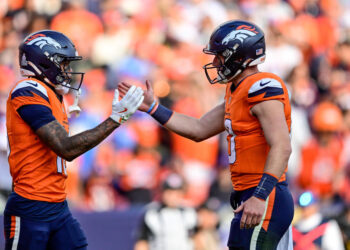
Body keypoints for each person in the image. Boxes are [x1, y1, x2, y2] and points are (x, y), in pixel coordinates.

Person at [119, 20, 294, 249]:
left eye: (220, 55)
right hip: (250, 194)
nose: (215, 62)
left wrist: (260, 195)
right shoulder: (238, 90)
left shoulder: (261, 85)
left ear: (239, 55)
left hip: (264, 195)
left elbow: (282, 146)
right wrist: (154, 108)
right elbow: (199, 129)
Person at [4, 30, 144, 250]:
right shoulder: (28, 90)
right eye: (63, 63)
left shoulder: (54, 95)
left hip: (57, 204)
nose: (68, 71)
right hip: (31, 204)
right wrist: (116, 119)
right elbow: (66, 148)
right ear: (44, 62)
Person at [134, 173, 197, 250]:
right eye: (169, 193)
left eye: (177, 193)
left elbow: (197, 239)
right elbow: (142, 242)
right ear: (162, 193)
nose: (173, 197)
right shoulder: (152, 213)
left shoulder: (189, 212)